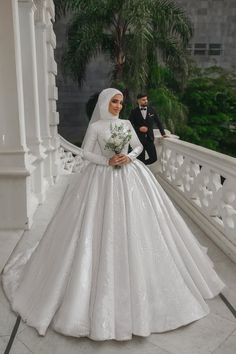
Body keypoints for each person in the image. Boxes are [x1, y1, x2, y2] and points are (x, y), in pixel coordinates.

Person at [2, 88, 225, 341]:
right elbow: (85, 152)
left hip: (130, 174)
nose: (118, 105)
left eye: (120, 102)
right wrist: (107, 161)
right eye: (114, 102)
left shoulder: (128, 123)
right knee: (91, 228)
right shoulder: (97, 127)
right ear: (105, 103)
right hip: (100, 177)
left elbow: (139, 147)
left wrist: (127, 157)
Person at [129, 93, 166, 165]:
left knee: (153, 158)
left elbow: (158, 122)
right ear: (138, 101)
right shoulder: (134, 111)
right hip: (139, 140)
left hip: (150, 139)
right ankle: (141, 170)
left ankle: (142, 166)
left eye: (146, 99)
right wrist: (139, 128)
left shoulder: (152, 110)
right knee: (140, 159)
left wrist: (163, 134)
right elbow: (129, 124)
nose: (146, 101)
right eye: (143, 100)